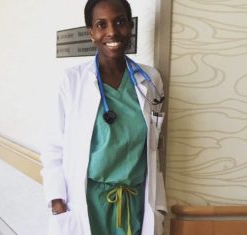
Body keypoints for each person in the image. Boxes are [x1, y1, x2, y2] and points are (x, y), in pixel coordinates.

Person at [41, 0, 167, 234]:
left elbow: (153, 148)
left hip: (135, 201)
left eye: (120, 22)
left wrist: (159, 207)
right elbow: (53, 147)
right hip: (87, 202)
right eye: (101, 24)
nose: (112, 31)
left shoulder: (150, 80)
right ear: (91, 33)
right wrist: (57, 203)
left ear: (130, 27)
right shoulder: (71, 81)